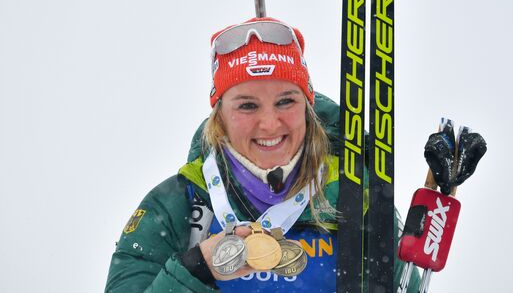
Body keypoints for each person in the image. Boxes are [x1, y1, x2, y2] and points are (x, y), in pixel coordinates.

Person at [105, 17, 420, 292]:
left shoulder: (356, 196)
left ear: (308, 108)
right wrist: (197, 268)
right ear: (219, 117)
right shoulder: (178, 204)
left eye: (286, 101)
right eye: (247, 105)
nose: (270, 124)